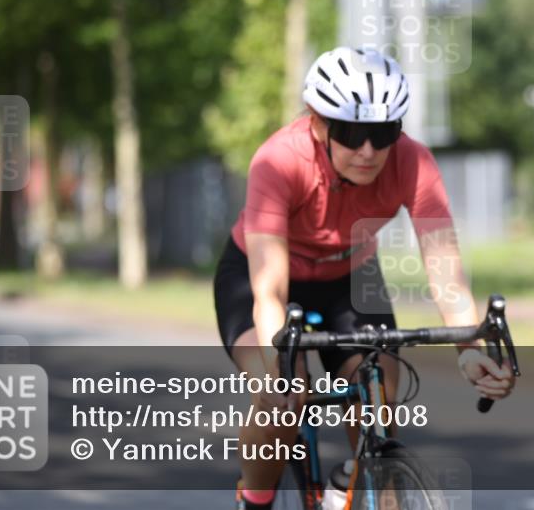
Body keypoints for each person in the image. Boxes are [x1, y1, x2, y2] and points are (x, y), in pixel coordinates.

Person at [213, 47, 516, 510]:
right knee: (283, 396)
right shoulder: (278, 161)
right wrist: (278, 367)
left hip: (348, 277)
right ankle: (254, 500)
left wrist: (469, 349)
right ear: (318, 124)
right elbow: (270, 286)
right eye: (353, 134)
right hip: (265, 276)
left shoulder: (413, 162)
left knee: (378, 393)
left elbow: (443, 263)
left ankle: (359, 481)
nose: (369, 151)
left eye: (383, 133)